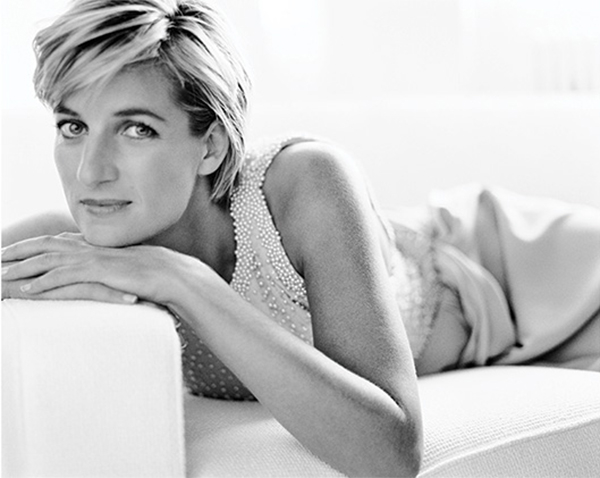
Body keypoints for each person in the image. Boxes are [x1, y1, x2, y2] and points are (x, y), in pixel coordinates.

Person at [2, 0, 599, 476]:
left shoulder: (303, 182)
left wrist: (184, 281)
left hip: (521, 267)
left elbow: (388, 456)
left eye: (136, 129)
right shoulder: (72, 244)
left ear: (210, 146)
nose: (90, 171)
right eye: (73, 126)